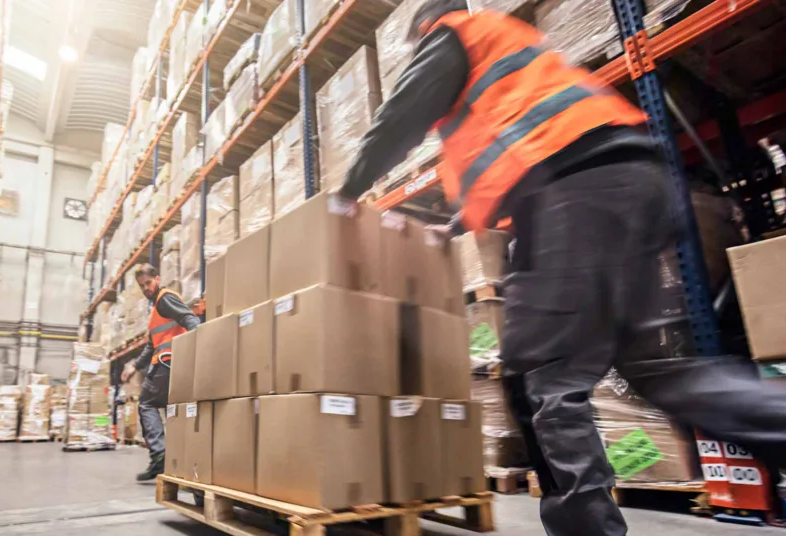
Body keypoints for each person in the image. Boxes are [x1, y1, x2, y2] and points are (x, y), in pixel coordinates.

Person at [336, 1, 786, 534]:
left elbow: (401, 116)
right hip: (626, 182)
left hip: (573, 193)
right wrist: (454, 227)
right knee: (664, 374)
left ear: (422, 28)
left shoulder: (453, 33)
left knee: (543, 377)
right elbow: (513, 145)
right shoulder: (504, 45)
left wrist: (346, 191)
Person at [121, 263, 200, 481]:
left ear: (157, 278)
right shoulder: (156, 308)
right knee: (172, 411)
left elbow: (189, 318)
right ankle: (175, 460)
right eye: (142, 285)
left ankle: (159, 456)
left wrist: (202, 341)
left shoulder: (165, 298)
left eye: (148, 283)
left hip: (167, 363)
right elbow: (150, 345)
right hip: (171, 363)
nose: (146, 288)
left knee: (147, 403)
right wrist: (134, 367)